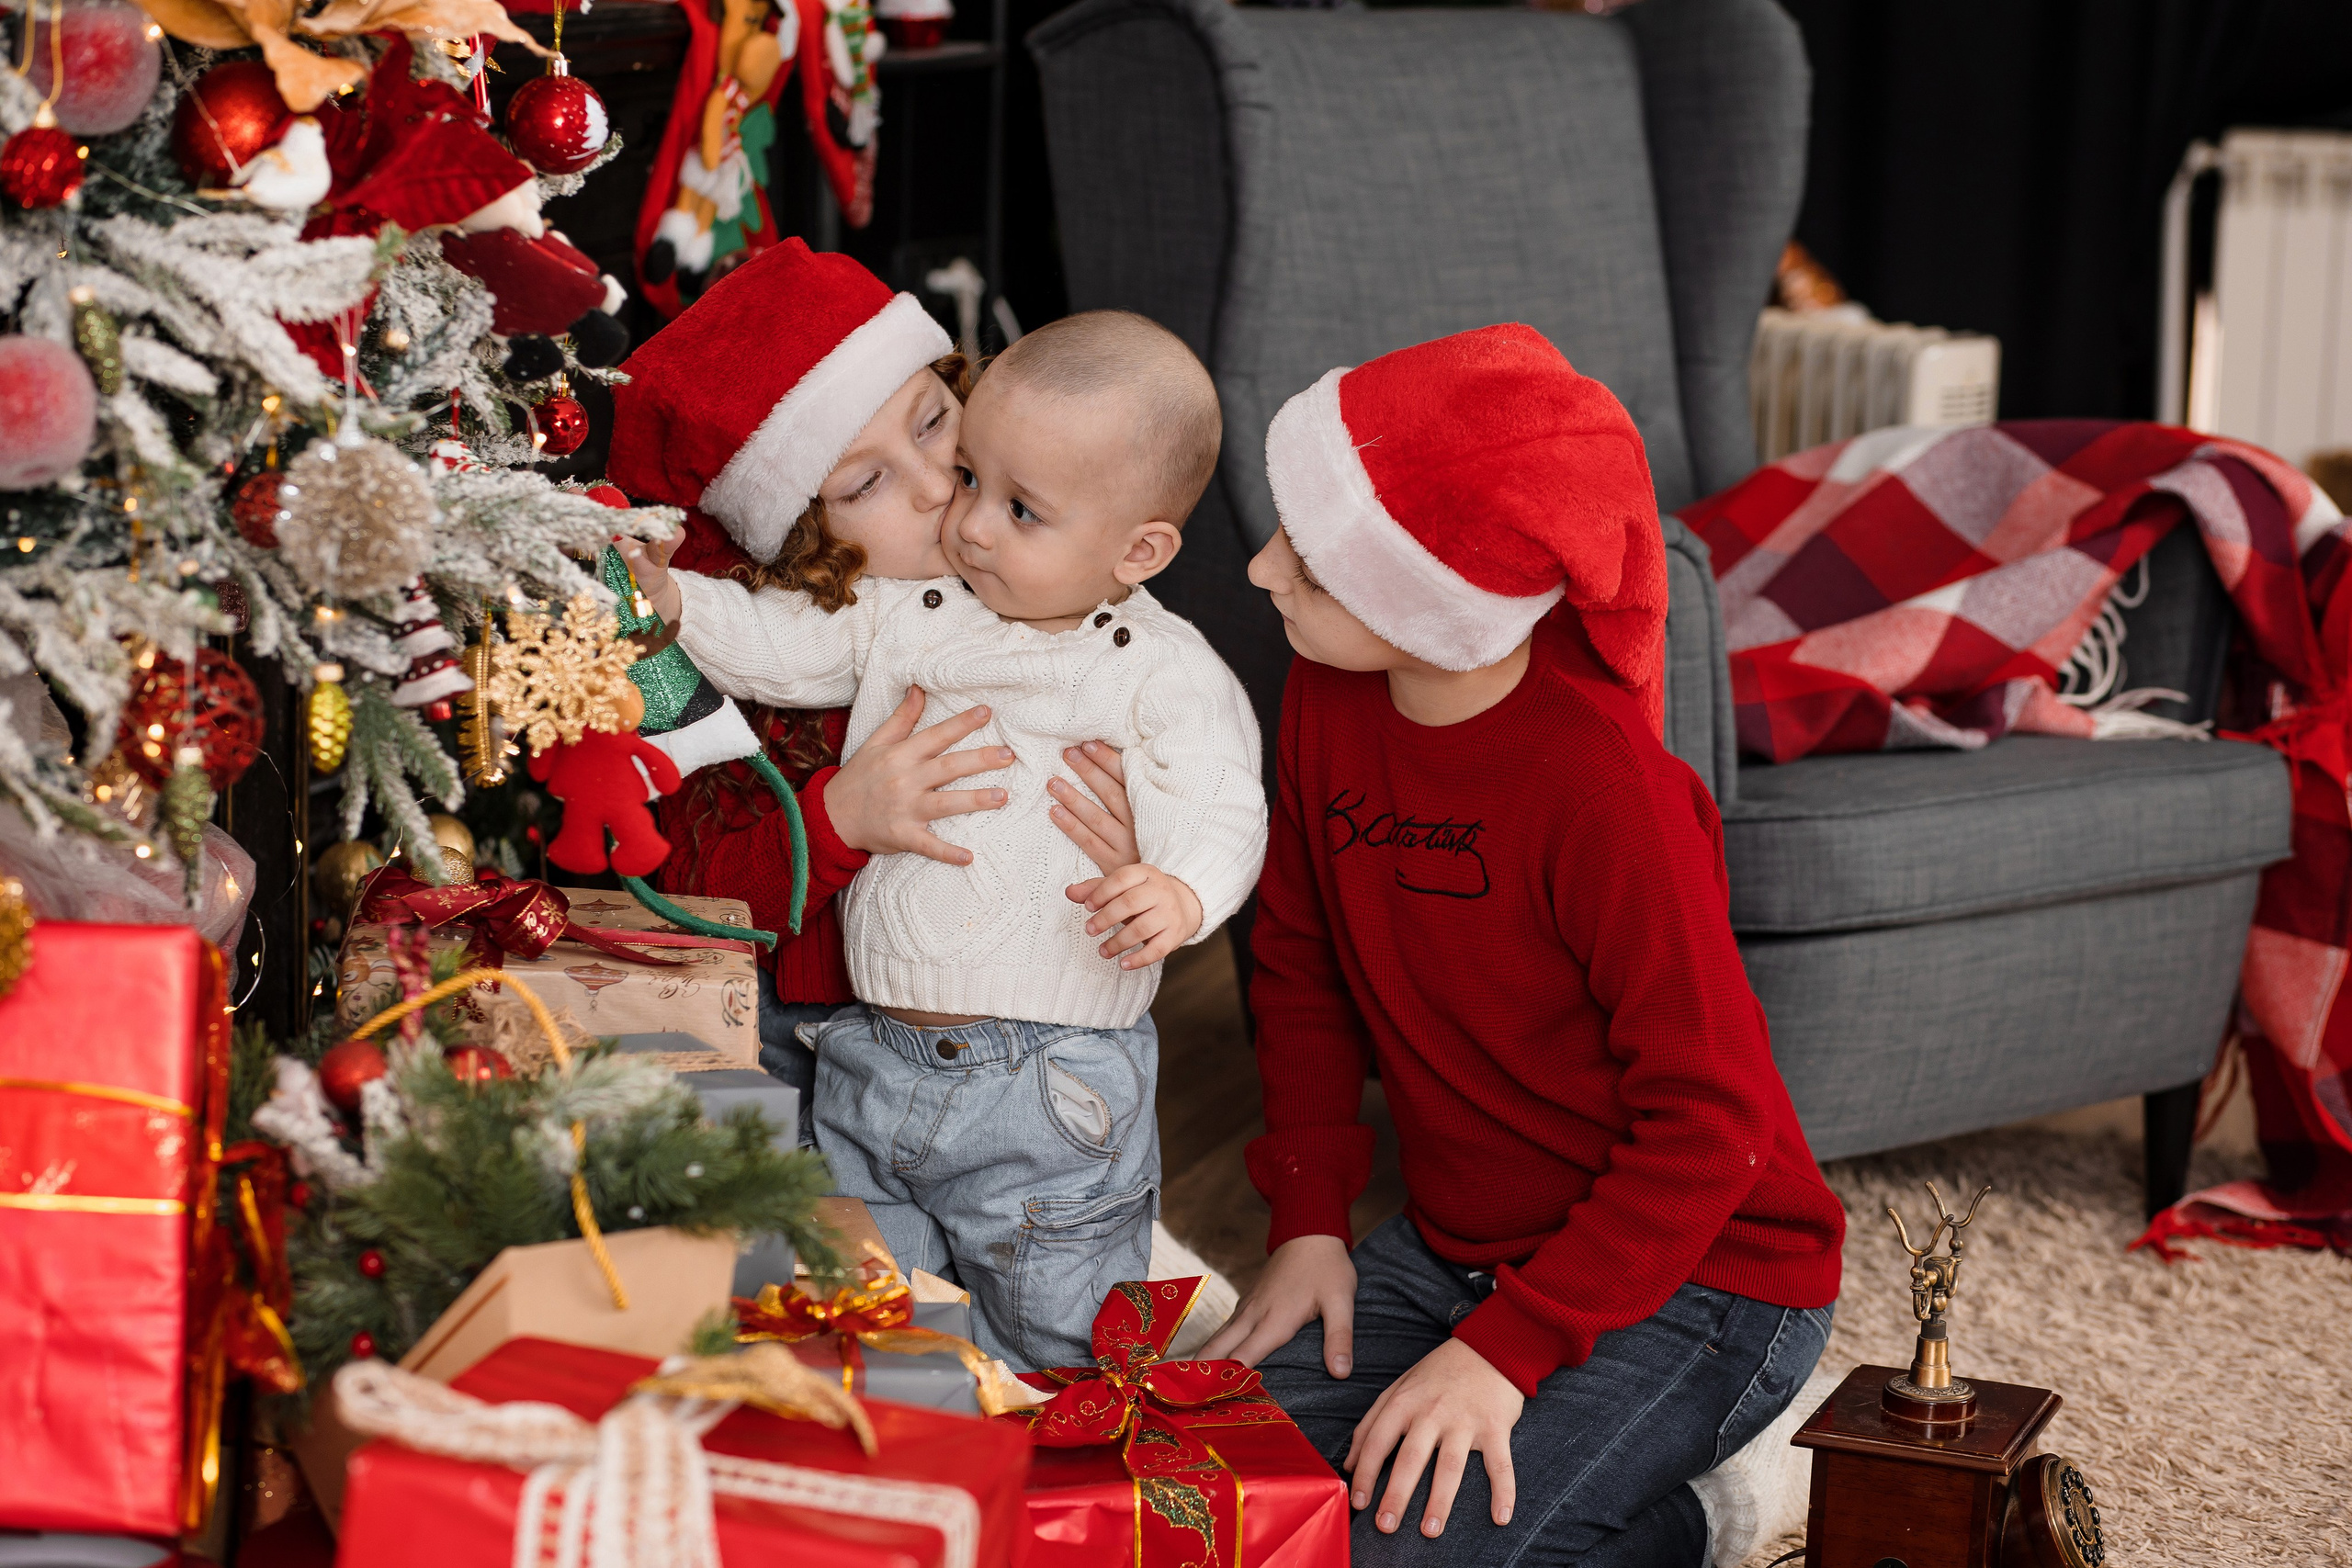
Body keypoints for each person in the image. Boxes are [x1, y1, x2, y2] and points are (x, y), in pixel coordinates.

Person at [1200, 324, 1846, 1566]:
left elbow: (1712, 1123)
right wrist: (1309, 1220)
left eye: (1318, 565)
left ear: (1437, 609)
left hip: (1706, 1281)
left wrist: (1507, 1353)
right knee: (1202, 1493)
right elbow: (1299, 966)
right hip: (1459, 1251)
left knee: (1400, 1550)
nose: (1264, 566)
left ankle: (1719, 1508)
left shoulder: (1608, 791)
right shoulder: (1326, 692)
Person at [622, 309, 1269, 1368]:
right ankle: (938, 1438)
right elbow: (779, 644)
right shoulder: (914, 609)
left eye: (1013, 504)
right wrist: (673, 601)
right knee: (890, 1324)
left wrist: (1182, 887)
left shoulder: (1155, 667)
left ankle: (1076, 1433)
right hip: (871, 1058)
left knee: (1063, 1327)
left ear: (1138, 550)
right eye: (974, 481)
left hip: (1046, 1075)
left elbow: (1220, 796)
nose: (963, 520)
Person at [605, 240, 1143, 1121]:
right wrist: (840, 817)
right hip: (807, 1038)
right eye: (866, 484)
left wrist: (1142, 843)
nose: (936, 485)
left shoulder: (1066, 577)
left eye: (933, 422)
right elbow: (696, 902)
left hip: (1034, 1034)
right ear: (801, 532)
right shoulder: (765, 669)